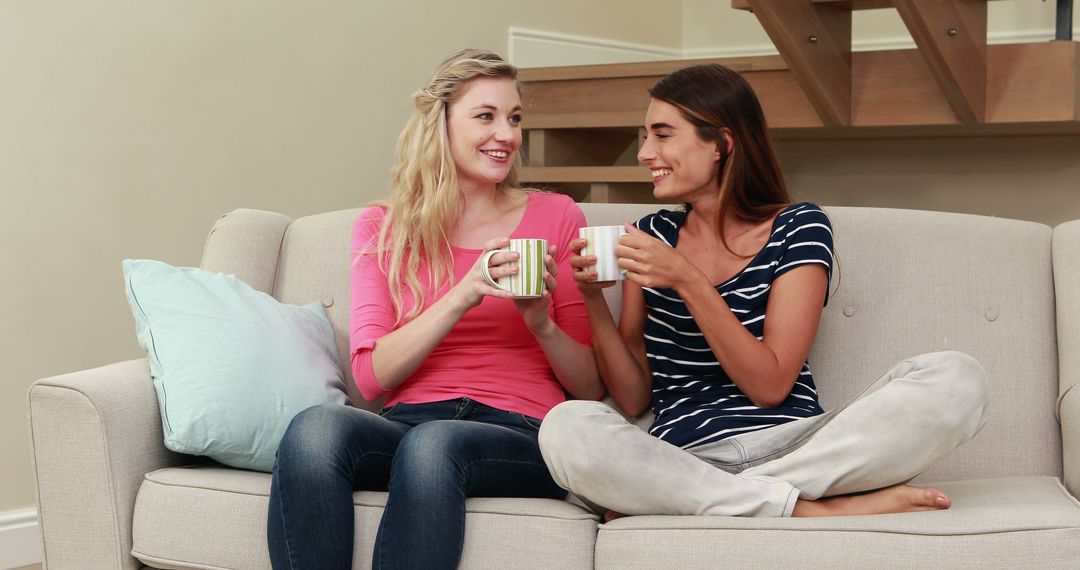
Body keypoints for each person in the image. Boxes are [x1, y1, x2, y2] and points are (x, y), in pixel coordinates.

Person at [538, 63, 989, 520]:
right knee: (566, 428)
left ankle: (711, 502)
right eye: (646, 136)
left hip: (802, 446)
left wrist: (687, 279)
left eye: (662, 135)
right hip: (689, 456)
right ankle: (807, 510)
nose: (644, 152)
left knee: (957, 379)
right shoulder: (652, 235)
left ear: (721, 143)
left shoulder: (799, 227)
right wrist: (593, 296)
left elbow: (770, 385)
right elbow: (634, 398)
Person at [266, 48, 600, 569]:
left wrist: (541, 323)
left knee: (433, 447)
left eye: (514, 118)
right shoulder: (384, 228)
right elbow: (371, 378)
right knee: (314, 430)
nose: (507, 135)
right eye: (485, 117)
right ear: (439, 125)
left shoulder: (556, 215)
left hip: (522, 432)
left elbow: (590, 386)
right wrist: (465, 292)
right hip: (409, 422)